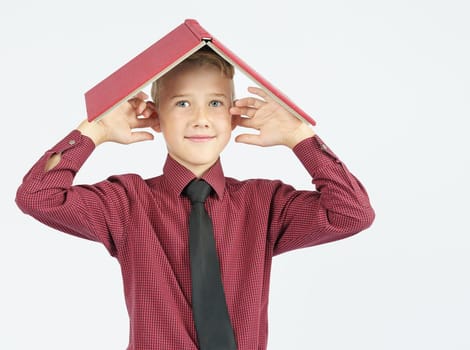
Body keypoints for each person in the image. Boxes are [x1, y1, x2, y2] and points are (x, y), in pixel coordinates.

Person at [15, 47, 374, 349]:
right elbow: (38, 197)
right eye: (183, 103)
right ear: (155, 117)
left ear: (234, 116)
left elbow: (352, 213)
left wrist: (300, 137)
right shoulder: (126, 203)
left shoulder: (264, 203)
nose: (201, 119)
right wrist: (93, 130)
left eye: (216, 103)